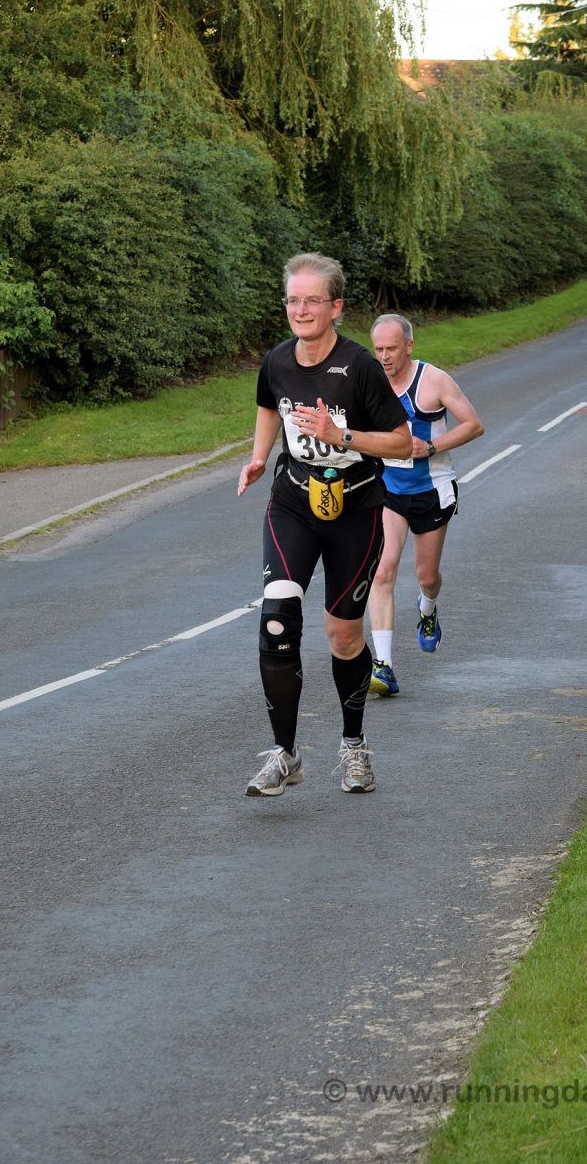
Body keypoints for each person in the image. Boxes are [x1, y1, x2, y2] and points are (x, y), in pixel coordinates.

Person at [237, 254, 412, 796]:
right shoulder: (277, 361)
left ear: (336, 307)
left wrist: (343, 439)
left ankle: (354, 745)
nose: (301, 309)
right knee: (277, 620)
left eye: (313, 300)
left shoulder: (359, 367)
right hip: (293, 502)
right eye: (293, 300)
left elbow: (402, 441)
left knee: (342, 633)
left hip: (355, 510)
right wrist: (261, 455)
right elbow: (270, 405)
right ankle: (285, 754)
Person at [366, 314, 484, 697]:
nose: (383, 357)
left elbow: (473, 424)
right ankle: (382, 666)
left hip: (432, 489)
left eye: (391, 349)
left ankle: (428, 608)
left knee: (426, 575)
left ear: (409, 347)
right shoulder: (370, 380)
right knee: (382, 572)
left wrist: (432, 447)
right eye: (378, 349)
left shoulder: (433, 380)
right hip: (388, 489)